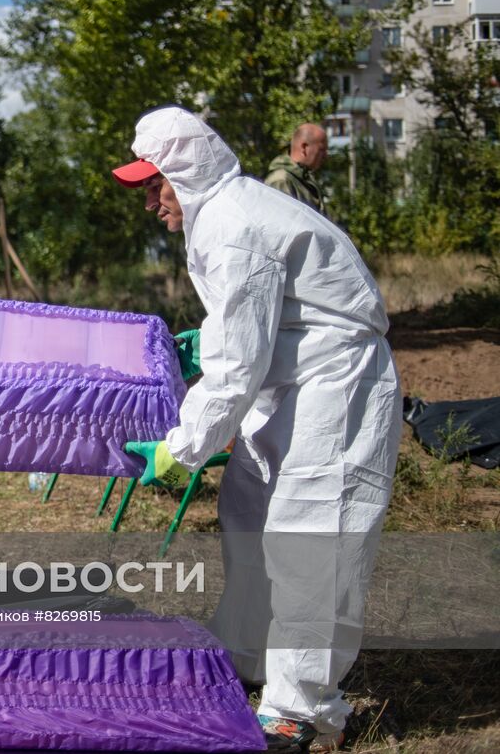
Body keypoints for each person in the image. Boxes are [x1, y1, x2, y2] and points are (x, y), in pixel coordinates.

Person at [114, 106, 401, 753]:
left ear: (184, 175)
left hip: (335, 384)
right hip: (291, 379)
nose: (148, 201)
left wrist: (179, 444)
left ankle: (302, 709)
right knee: (246, 509)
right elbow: (236, 329)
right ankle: (246, 656)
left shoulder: (234, 224)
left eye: (153, 185)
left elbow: (238, 361)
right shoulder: (219, 216)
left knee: (312, 537)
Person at [263, 122, 328, 213]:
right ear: (304, 148)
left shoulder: (305, 179)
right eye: (321, 150)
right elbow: (282, 222)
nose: (326, 155)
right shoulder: (281, 181)